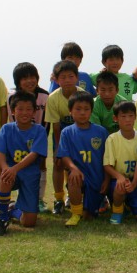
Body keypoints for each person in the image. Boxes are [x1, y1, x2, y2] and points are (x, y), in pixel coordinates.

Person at [0, 91, 48, 235]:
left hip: (30, 173)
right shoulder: (7, 128)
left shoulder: (39, 130)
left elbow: (34, 154)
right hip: (11, 171)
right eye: (20, 109)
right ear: (13, 111)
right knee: (5, 175)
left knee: (29, 222)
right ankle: (3, 218)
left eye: (29, 109)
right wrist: (5, 168)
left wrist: (14, 169)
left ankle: (12, 210)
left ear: (35, 111)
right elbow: (0, 152)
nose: (24, 112)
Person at [59, 91, 109, 226]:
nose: (82, 113)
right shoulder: (67, 132)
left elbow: (108, 158)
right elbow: (64, 155)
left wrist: (106, 178)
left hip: (97, 178)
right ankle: (75, 213)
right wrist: (73, 168)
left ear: (91, 111)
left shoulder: (101, 132)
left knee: (88, 216)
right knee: (73, 178)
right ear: (70, 111)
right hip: (79, 175)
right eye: (78, 109)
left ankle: (95, 207)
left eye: (86, 109)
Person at [6, 62, 51, 213]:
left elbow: (46, 121)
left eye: (33, 77)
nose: (29, 81)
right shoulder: (11, 97)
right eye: (24, 78)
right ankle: (16, 199)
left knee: (40, 165)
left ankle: (39, 199)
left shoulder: (44, 96)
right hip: (18, 137)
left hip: (39, 136)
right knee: (17, 165)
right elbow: (12, 119)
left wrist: (40, 140)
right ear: (18, 81)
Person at [45, 60, 86, 215]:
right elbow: (56, 127)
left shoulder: (82, 95)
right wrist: (59, 150)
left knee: (80, 165)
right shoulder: (53, 98)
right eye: (63, 77)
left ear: (76, 78)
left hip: (79, 137)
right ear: (56, 80)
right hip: (62, 137)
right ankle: (58, 199)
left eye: (70, 76)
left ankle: (77, 197)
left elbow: (86, 122)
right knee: (58, 164)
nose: (67, 80)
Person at [103, 101, 137, 224]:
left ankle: (130, 204)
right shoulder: (112, 139)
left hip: (136, 180)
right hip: (118, 180)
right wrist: (120, 178)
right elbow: (107, 165)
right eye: (123, 117)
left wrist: (134, 183)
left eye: (130, 116)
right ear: (115, 118)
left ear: (135, 117)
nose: (127, 120)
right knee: (120, 186)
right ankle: (117, 211)